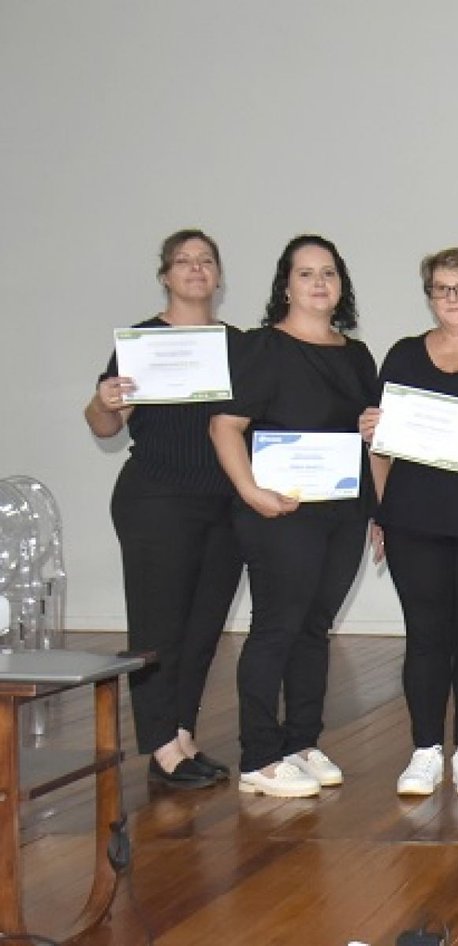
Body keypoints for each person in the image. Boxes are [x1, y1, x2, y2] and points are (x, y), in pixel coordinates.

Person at [209, 235, 378, 798]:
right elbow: (225, 426)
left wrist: (375, 438)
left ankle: (301, 742)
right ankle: (259, 757)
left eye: (328, 272)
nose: (318, 283)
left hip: (344, 512)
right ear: (286, 286)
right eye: (305, 273)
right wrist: (250, 491)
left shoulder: (356, 355)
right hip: (279, 511)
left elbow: (371, 434)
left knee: (314, 627)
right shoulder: (262, 347)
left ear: (341, 284)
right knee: (276, 627)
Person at [85, 229, 242, 790]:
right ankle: (160, 747)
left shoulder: (238, 345)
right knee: (159, 627)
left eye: (206, 260)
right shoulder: (141, 343)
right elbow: (104, 424)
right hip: (156, 500)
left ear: (218, 275)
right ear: (165, 275)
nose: (196, 268)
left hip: (224, 504)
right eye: (183, 261)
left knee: (203, 629)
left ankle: (181, 734)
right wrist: (104, 401)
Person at [362, 248, 458, 798]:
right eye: (441, 288)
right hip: (414, 518)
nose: (452, 298)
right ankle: (425, 750)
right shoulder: (404, 355)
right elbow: (382, 447)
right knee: (425, 636)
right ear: (429, 296)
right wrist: (381, 511)